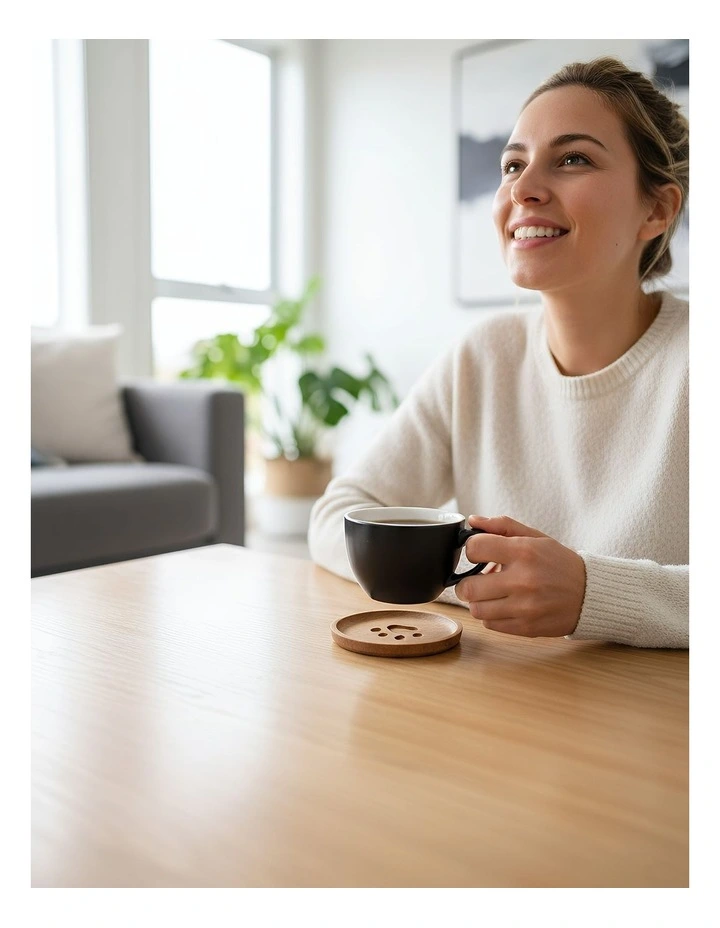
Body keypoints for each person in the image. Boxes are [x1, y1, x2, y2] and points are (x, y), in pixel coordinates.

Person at [308, 56, 689, 649]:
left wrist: (595, 594)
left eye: (573, 159)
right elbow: (339, 516)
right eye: (513, 164)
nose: (524, 189)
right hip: (503, 702)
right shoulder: (481, 358)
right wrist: (479, 584)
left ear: (657, 209)